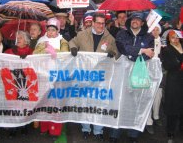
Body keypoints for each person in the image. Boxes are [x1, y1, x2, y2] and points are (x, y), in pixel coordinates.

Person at [69, 12, 118, 141]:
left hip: (101, 76)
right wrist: (73, 48)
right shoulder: (82, 34)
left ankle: (98, 130)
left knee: (99, 104)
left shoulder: (110, 38)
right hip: (84, 75)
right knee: (84, 103)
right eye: (98, 23)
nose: (101, 26)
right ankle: (85, 128)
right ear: (93, 23)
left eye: (103, 23)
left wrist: (113, 53)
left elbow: (117, 53)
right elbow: (72, 42)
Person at [111, 12, 154, 143]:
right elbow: (123, 47)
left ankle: (133, 134)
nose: (135, 21)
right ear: (130, 22)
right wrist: (141, 51)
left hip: (139, 73)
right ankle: (115, 133)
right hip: (122, 74)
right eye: (133, 19)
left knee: (137, 103)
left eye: (138, 20)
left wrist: (134, 53)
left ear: (142, 23)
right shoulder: (121, 34)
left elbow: (149, 54)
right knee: (119, 102)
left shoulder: (148, 37)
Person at [33, 17, 69, 138]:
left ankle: (55, 130)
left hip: (58, 75)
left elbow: (65, 54)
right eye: (49, 30)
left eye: (53, 30)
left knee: (56, 103)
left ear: (57, 31)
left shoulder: (62, 41)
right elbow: (35, 54)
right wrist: (45, 51)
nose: (51, 32)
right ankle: (44, 127)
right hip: (44, 75)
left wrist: (54, 52)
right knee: (44, 102)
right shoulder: (41, 41)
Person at [4, 30, 33, 137]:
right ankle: (13, 127)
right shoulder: (9, 51)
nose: (18, 39)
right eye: (17, 37)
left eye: (20, 37)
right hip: (12, 83)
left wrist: (28, 59)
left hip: (25, 84)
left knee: (24, 105)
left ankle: (24, 125)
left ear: (26, 41)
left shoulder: (31, 52)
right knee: (13, 105)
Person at [161, 30, 183, 143]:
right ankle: (170, 131)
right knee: (173, 107)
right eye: (173, 37)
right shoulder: (166, 50)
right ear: (169, 39)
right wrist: (180, 63)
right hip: (173, 82)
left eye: (177, 37)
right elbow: (167, 65)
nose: (175, 39)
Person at [145, 24, 163, 135]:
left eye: (157, 30)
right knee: (147, 96)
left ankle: (156, 116)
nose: (155, 31)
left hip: (159, 72)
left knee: (158, 95)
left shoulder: (164, 43)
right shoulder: (146, 42)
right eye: (153, 29)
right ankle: (148, 121)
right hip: (147, 72)